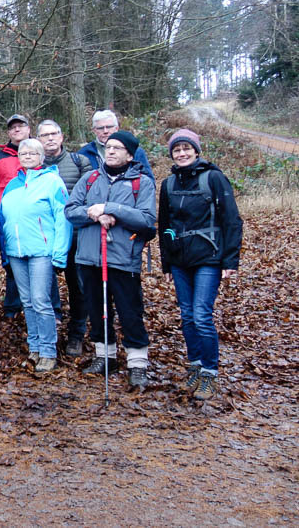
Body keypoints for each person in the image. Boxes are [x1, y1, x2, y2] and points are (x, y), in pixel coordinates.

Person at [65, 130, 157, 390]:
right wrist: (94, 214)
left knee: (130, 311)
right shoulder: (90, 178)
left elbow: (147, 221)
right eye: (109, 147)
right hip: (89, 257)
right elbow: (71, 211)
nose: (112, 151)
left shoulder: (142, 183)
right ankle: (104, 356)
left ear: (130, 153)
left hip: (123, 258)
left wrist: (110, 208)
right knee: (97, 309)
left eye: (118, 148)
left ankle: (137, 364)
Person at [159, 129, 243, 400]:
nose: (182, 154)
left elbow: (231, 220)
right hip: (180, 260)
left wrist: (231, 260)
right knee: (186, 316)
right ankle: (194, 365)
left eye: (186, 148)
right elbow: (164, 226)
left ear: (196, 150)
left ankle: (209, 373)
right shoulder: (168, 184)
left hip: (209, 257)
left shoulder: (214, 178)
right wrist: (167, 264)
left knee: (201, 315)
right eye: (177, 150)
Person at [0, 138, 72, 373]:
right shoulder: (12, 185)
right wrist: (5, 252)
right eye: (23, 152)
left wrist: (59, 254)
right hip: (16, 252)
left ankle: (49, 351)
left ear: (42, 157)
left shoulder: (52, 181)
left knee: (41, 301)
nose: (27, 156)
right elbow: (4, 221)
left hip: (42, 251)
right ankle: (35, 347)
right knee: (27, 302)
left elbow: (63, 218)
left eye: (33, 153)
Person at [38, 120, 92, 356]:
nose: (49, 138)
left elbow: (92, 193)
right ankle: (46, 336)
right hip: (44, 239)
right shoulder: (33, 166)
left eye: (53, 134)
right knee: (43, 291)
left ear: (61, 137)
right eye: (44, 135)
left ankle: (76, 334)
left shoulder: (79, 162)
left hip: (77, 236)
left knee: (78, 287)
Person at [0, 114, 32, 318]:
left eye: (21, 126)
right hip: (6, 219)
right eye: (13, 128)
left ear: (29, 129)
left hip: (35, 218)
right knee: (12, 262)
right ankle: (12, 307)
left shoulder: (37, 154)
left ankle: (48, 308)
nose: (17, 130)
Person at [78, 110, 154, 179]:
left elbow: (149, 181)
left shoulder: (134, 151)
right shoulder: (84, 153)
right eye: (100, 128)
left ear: (116, 128)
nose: (105, 131)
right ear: (94, 130)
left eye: (109, 127)